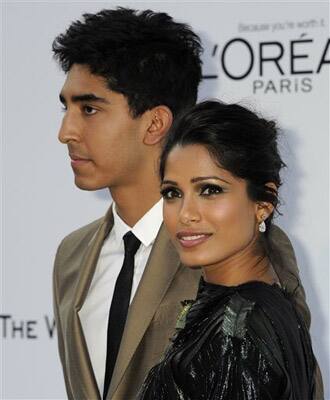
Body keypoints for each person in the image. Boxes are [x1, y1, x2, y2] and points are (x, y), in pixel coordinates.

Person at [51, 7, 322, 400]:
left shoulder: (234, 250)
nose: (65, 132)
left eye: (89, 109)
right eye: (66, 108)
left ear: (155, 123)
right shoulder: (71, 257)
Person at [138, 100, 317, 399]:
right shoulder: (258, 307)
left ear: (263, 204)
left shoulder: (237, 329)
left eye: (210, 190)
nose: (185, 214)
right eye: (172, 193)